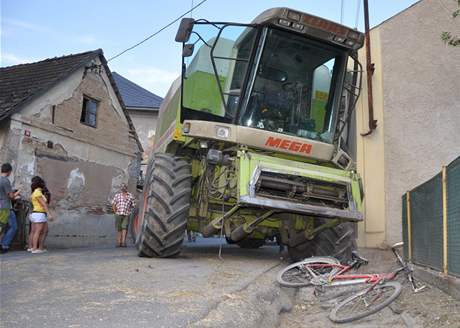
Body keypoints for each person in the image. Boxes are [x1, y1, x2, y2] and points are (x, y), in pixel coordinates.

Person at [29, 176, 53, 254]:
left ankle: (35, 247)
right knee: (38, 231)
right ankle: (35, 248)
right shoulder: (38, 192)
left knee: (41, 231)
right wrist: (49, 214)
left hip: (36, 213)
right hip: (39, 213)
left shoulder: (34, 192)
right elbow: (43, 204)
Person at [0, 163, 20, 254]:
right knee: (13, 226)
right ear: (9, 171)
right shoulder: (5, 181)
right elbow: (11, 196)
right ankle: (4, 245)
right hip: (5, 207)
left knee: (2, 227)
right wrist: (18, 191)